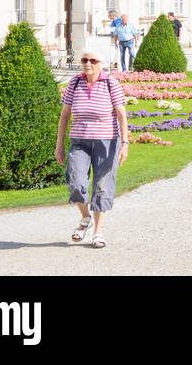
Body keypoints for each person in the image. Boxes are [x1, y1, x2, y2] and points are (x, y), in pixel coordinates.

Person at [55, 44, 128, 249]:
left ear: (101, 64)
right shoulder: (74, 84)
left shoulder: (110, 84)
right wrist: (59, 144)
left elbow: (122, 115)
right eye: (84, 60)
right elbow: (65, 115)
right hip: (79, 141)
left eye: (92, 61)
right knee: (75, 181)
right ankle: (85, 217)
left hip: (107, 141)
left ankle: (98, 231)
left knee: (102, 185)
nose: (87, 64)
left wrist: (125, 143)